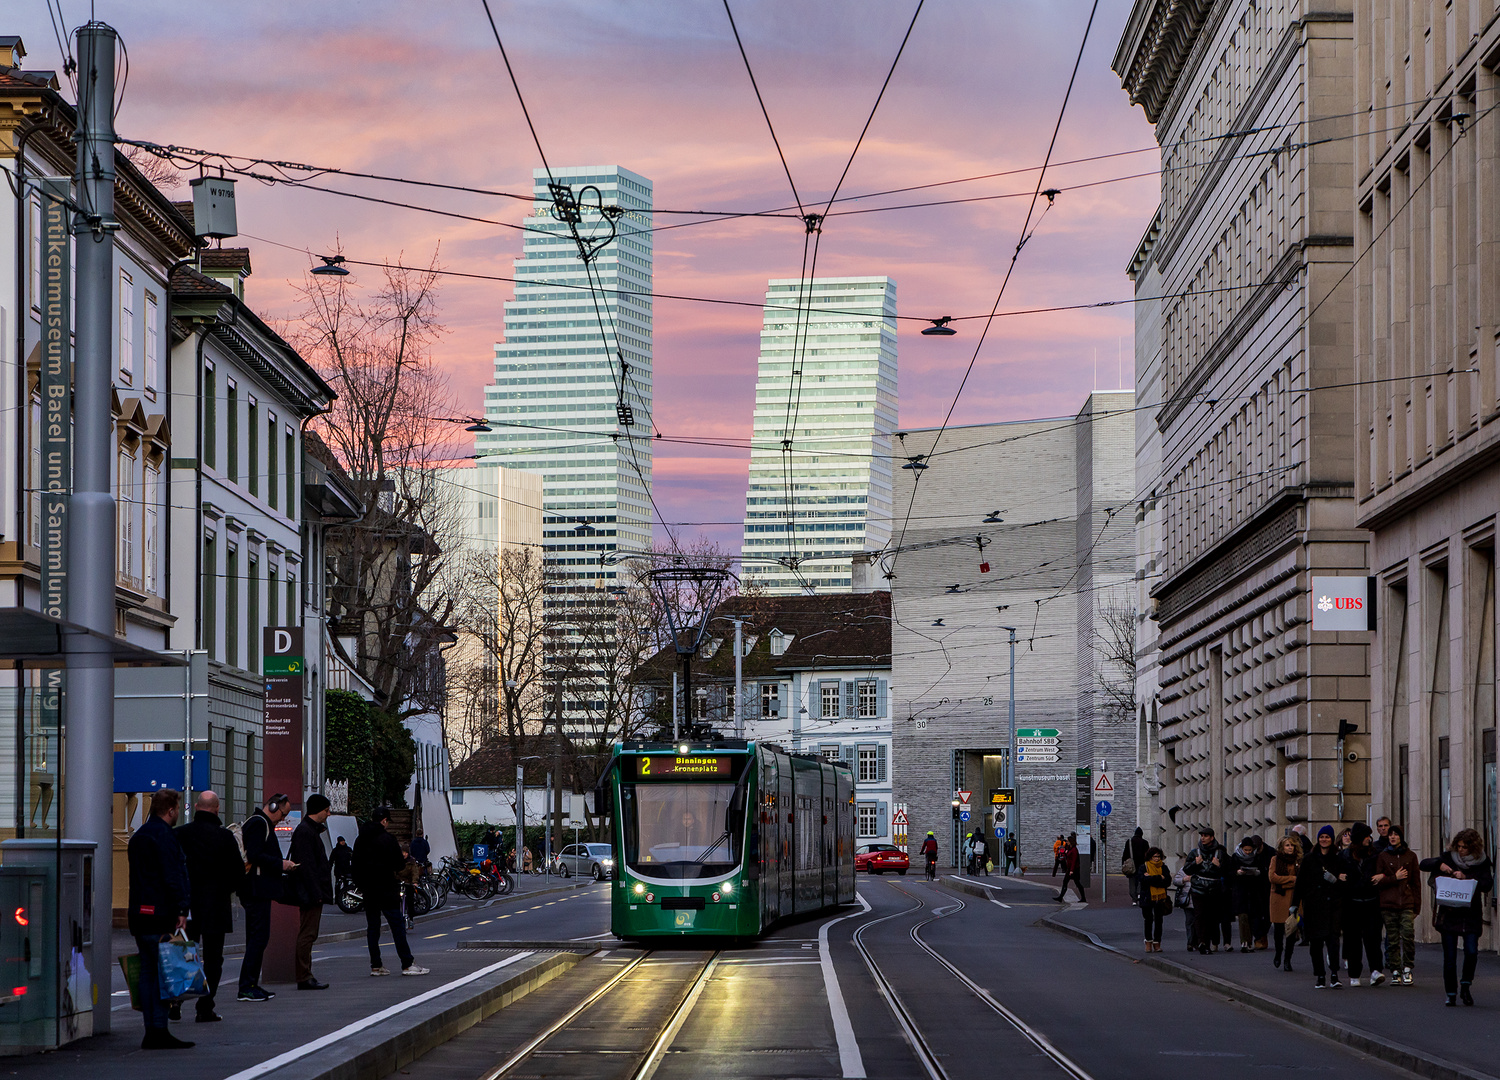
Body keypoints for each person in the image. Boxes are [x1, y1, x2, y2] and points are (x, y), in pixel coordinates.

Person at [128, 789, 193, 1050]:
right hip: (160, 912)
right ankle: (159, 1028)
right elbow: (173, 875)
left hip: (139, 913)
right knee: (163, 973)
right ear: (170, 810)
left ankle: (149, 1029)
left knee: (147, 972)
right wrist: (182, 909)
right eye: (177, 808)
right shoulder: (166, 836)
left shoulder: (139, 835)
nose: (178, 813)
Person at [175, 790, 243, 1023]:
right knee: (213, 959)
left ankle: (175, 1001)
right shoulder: (225, 838)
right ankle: (205, 1006)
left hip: (186, 907)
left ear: (195, 807)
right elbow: (237, 872)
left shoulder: (180, 835)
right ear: (217, 808)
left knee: (183, 954)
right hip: (216, 906)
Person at [1420, 828, 1494, 1006]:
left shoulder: (1482, 862)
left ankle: (1466, 985)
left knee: (1471, 952)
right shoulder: (1448, 857)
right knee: (1450, 957)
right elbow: (1423, 864)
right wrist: (1440, 865)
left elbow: (1487, 884)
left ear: (1473, 848)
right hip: (1450, 913)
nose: (1460, 850)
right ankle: (1451, 993)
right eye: (1459, 846)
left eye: (1464, 847)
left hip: (1470, 914)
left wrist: (1467, 877)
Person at [354, 806, 429, 977]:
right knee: (397, 926)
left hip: (369, 889)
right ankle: (407, 963)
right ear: (384, 821)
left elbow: (355, 865)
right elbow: (399, 864)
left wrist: (362, 884)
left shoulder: (360, 840)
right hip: (387, 887)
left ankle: (376, 965)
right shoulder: (387, 839)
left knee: (373, 927)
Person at [238, 793, 295, 1002]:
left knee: (258, 938)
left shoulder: (259, 823)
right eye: (282, 814)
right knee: (258, 937)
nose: (283, 819)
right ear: (272, 806)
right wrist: (281, 864)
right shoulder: (259, 824)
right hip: (256, 889)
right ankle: (247, 985)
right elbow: (254, 854)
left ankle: (251, 984)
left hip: (257, 889)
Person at [285, 793, 334, 990]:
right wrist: (317, 893)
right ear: (318, 810)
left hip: (310, 890)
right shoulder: (306, 832)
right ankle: (304, 975)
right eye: (326, 810)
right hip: (310, 892)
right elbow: (308, 867)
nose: (329, 814)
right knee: (308, 934)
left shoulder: (307, 830)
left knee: (308, 933)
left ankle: (305, 974)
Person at [1373, 822, 1421, 985]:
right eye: (1391, 835)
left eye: (1396, 834)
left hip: (1406, 903)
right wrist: (1394, 877)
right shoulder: (1383, 856)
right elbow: (1377, 881)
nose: (1393, 837)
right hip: (1388, 904)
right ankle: (1395, 970)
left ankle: (1407, 968)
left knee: (1408, 936)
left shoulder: (1410, 856)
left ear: (1401, 837)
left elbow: (1416, 883)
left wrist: (1417, 906)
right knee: (1392, 939)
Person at [1337, 822, 1383, 986]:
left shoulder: (1375, 855)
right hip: (1352, 904)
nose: (1369, 839)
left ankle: (1376, 970)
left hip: (1371, 903)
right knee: (1353, 940)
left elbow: (1383, 870)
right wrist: (1339, 877)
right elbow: (1336, 873)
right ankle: (1354, 974)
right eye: (1366, 836)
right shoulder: (1344, 856)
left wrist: (1382, 876)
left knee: (1373, 940)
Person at [1297, 825, 1343, 988]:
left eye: (1327, 837)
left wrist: (1335, 880)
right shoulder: (1309, 859)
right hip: (1314, 906)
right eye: (1322, 837)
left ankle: (1334, 974)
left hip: (1333, 906)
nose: (1324, 840)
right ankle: (1320, 975)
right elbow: (1300, 883)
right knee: (1315, 943)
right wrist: (1294, 905)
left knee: (1333, 940)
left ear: (1332, 839)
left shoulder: (1338, 858)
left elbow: (1345, 883)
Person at [1184, 828, 1228, 954]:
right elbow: (1187, 870)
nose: (1203, 838)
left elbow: (1227, 871)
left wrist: (1219, 865)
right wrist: (1195, 863)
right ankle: (1202, 942)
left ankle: (1209, 942)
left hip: (1214, 888)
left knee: (1211, 917)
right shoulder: (1195, 853)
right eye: (1202, 836)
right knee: (1199, 915)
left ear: (1212, 837)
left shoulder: (1220, 853)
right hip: (1198, 889)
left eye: (1206, 836)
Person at [1268, 835, 1300, 971]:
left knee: (1292, 930)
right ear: (1282, 847)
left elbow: (1301, 879)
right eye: (1287, 845)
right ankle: (1278, 952)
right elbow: (1272, 877)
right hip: (1278, 898)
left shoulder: (1298, 860)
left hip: (1294, 898)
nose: (1290, 848)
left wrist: (1288, 881)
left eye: (1292, 845)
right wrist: (1291, 879)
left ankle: (1288, 959)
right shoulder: (1275, 859)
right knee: (1279, 929)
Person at [1229, 836, 1266, 952]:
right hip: (1240, 892)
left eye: (1250, 850)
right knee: (1243, 917)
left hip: (1253, 892)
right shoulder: (1235, 857)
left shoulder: (1257, 858)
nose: (1248, 852)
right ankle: (1245, 942)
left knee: (1253, 917)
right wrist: (1237, 873)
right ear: (1242, 848)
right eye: (1246, 850)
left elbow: (1263, 873)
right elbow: (1229, 873)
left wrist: (1257, 873)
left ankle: (1251, 941)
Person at [1141, 846, 1170, 951]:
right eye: (1154, 857)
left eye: (1158, 856)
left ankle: (1157, 943)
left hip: (1160, 898)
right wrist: (1158, 877)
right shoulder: (1144, 867)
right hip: (1147, 898)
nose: (1157, 859)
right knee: (1148, 920)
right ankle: (1148, 942)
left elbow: (1167, 881)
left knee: (1159, 921)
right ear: (1150, 857)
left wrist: (1150, 878)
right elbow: (1143, 880)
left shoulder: (1164, 867)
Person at [1054, 833, 1086, 903]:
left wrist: (1071, 870)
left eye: (1068, 841)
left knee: (1077, 883)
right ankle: (1060, 897)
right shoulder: (1070, 849)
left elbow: (1074, 861)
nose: (1066, 842)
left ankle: (1083, 898)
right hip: (1070, 869)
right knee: (1066, 882)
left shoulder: (1074, 850)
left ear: (1070, 842)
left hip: (1074, 870)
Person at [1124, 827, 1149, 905]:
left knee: (1132, 882)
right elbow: (1148, 855)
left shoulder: (1129, 842)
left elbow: (1125, 854)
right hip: (1142, 865)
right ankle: (1139, 894)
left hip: (1132, 865)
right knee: (1141, 881)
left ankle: (1133, 898)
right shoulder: (1145, 842)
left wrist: (1124, 864)